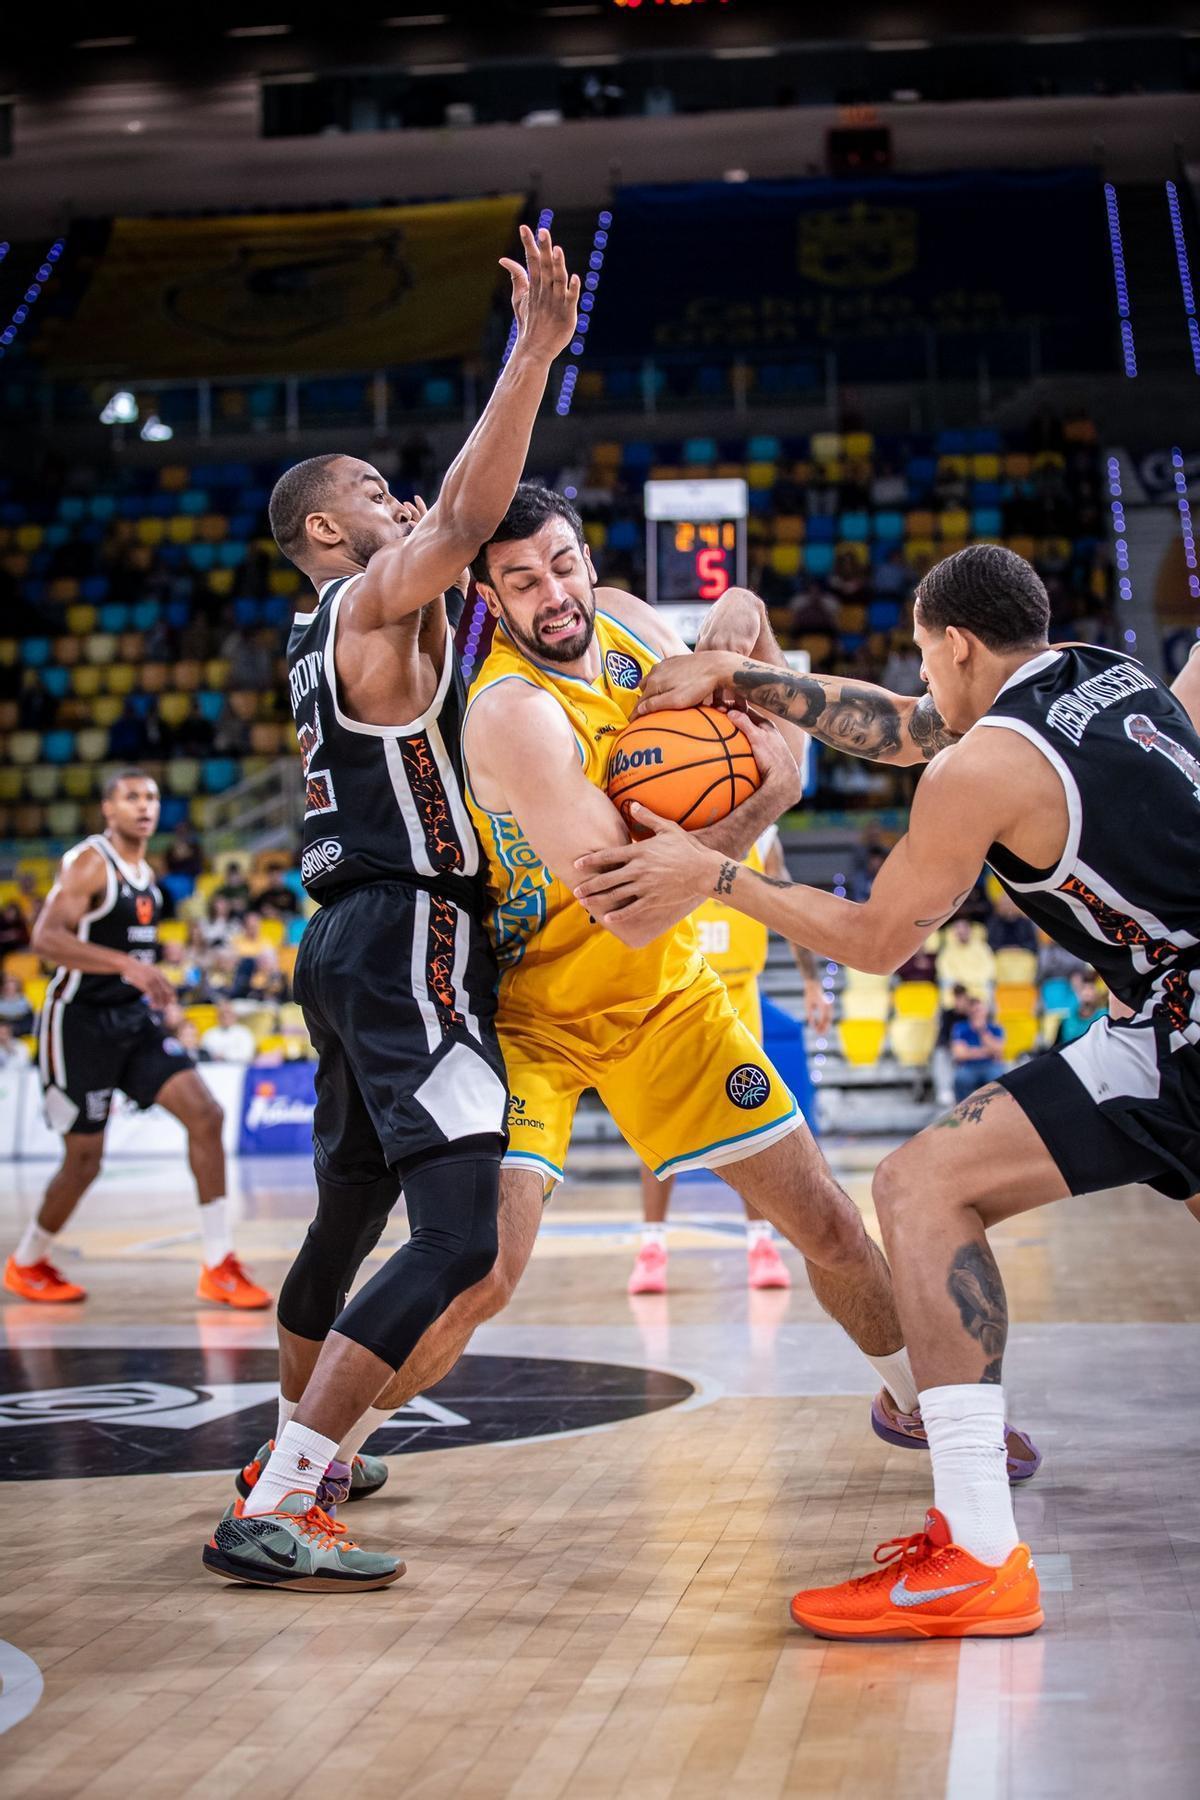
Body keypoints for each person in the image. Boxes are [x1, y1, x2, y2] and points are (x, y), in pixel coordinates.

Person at [289, 487, 1035, 1543]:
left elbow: (778, 675)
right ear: (490, 599)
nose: (554, 594)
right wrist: (772, 792)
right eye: (523, 580)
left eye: (563, 564)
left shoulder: (637, 628)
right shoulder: (512, 710)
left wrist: (744, 628)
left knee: (824, 1218)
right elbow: (631, 906)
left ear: (588, 558)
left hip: (668, 1006)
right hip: (532, 1016)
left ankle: (920, 1407)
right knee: (481, 1272)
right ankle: (311, 1464)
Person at [577, 541, 1200, 1640]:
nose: (925, 686)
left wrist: (718, 877)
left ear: (956, 643)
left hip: (1182, 1024)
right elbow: (909, 728)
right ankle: (972, 1530)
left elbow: (873, 941)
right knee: (928, 1184)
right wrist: (741, 681)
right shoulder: (1105, 665)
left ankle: (976, 1551)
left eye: (926, 657)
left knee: (919, 1189)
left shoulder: (990, 765)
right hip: (1161, 1012)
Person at [204, 222, 583, 1593]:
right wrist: (532, 350)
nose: (398, 495)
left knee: (345, 1222)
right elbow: (472, 526)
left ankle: (293, 1458)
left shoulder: (319, 637)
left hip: (346, 941)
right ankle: (285, 1498)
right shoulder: (369, 602)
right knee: (462, 1238)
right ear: (327, 530)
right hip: (411, 937)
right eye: (373, 487)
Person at [3, 770, 269, 1310]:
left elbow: (126, 947)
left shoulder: (147, 873)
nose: (144, 806)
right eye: (131, 797)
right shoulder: (89, 861)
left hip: (132, 1022)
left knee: (207, 1115)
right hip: (78, 1023)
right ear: (108, 808)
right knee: (84, 1161)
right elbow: (46, 939)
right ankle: (28, 1261)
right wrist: (126, 963)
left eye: (151, 797)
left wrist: (156, 967)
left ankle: (218, 1264)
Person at [628, 826, 832, 1295]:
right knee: (657, 1121)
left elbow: (789, 905)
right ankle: (652, 1246)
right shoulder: (664, 827)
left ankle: (760, 1242)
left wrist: (812, 982)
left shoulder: (763, 838)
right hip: (672, 991)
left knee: (753, 1122)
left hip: (738, 994)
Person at [950, 996, 1005, 1103]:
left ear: (985, 1011)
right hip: (968, 1067)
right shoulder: (960, 1028)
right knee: (961, 1078)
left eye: (979, 1010)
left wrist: (982, 1030)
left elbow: (998, 1051)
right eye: (974, 1011)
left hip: (990, 1066)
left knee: (998, 1079)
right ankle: (962, 1111)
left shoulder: (995, 1028)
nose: (977, 1014)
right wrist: (987, 1051)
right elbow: (959, 1054)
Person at [1054, 970, 1107, 1046]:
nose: (1087, 992)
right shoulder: (1067, 1018)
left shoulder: (1105, 1017)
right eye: (1084, 988)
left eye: (1091, 988)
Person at [202, 999, 257, 1065]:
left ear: (235, 1016)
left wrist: (225, 1055)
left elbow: (247, 1054)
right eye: (223, 1014)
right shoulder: (210, 1034)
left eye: (229, 1013)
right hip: (215, 1069)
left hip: (239, 1068)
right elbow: (205, 1054)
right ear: (218, 1016)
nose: (226, 1017)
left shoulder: (244, 1032)